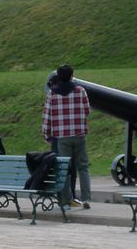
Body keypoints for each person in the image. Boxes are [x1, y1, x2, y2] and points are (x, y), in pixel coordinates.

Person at [42, 64, 91, 209]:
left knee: (64, 169)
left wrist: (47, 134)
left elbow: (47, 116)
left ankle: (65, 200)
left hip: (62, 136)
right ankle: (86, 199)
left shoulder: (52, 93)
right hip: (79, 135)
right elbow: (87, 110)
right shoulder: (80, 91)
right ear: (71, 75)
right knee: (83, 167)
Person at [45, 72, 78, 206]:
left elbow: (47, 119)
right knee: (71, 167)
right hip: (73, 135)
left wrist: (47, 135)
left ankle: (62, 197)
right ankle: (71, 195)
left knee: (61, 167)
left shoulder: (52, 95)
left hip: (57, 136)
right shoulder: (75, 93)